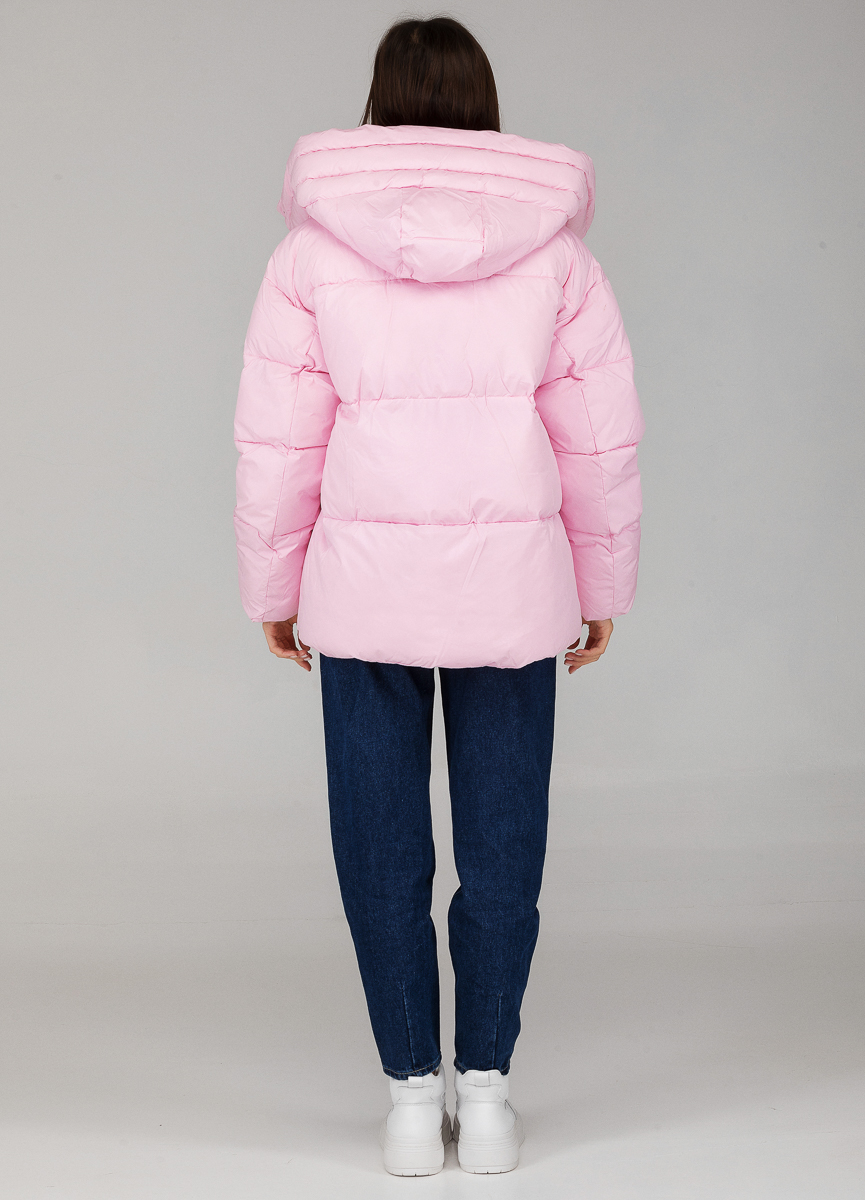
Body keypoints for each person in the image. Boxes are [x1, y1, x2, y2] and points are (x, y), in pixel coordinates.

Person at [234, 15, 643, 1177]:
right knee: (504, 846)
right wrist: (599, 583)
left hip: (360, 591)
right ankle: (491, 1095)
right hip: (513, 593)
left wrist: (276, 584)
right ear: (481, 102)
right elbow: (598, 439)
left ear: (378, 100)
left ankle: (412, 1099)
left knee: (380, 849)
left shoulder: (308, 255)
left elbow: (277, 441)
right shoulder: (558, 258)